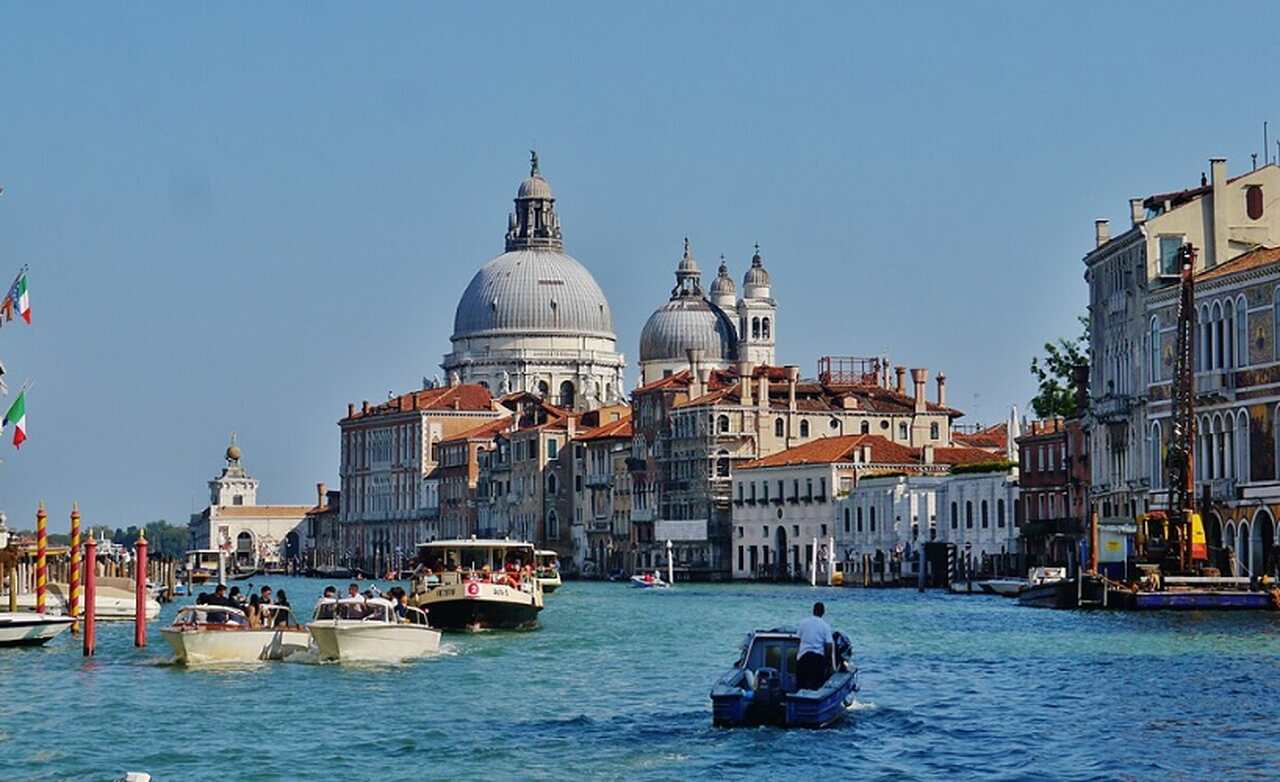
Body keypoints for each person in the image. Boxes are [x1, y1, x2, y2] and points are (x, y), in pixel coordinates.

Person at [796, 602, 834, 691]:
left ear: (813, 611)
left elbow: (798, 639)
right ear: (823, 612)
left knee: (801, 685)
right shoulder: (825, 626)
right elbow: (829, 645)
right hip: (817, 659)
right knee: (817, 686)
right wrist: (828, 661)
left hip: (803, 657)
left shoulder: (803, 623)